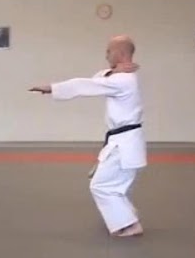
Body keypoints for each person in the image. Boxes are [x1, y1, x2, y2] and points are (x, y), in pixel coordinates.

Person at [29, 35, 147, 237]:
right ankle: (127, 216)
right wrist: (114, 70)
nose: (106, 55)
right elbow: (97, 80)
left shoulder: (123, 80)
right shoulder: (120, 77)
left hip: (124, 143)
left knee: (101, 185)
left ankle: (130, 225)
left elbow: (84, 85)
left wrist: (52, 88)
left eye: (109, 51)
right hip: (123, 141)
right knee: (114, 184)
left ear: (120, 53)